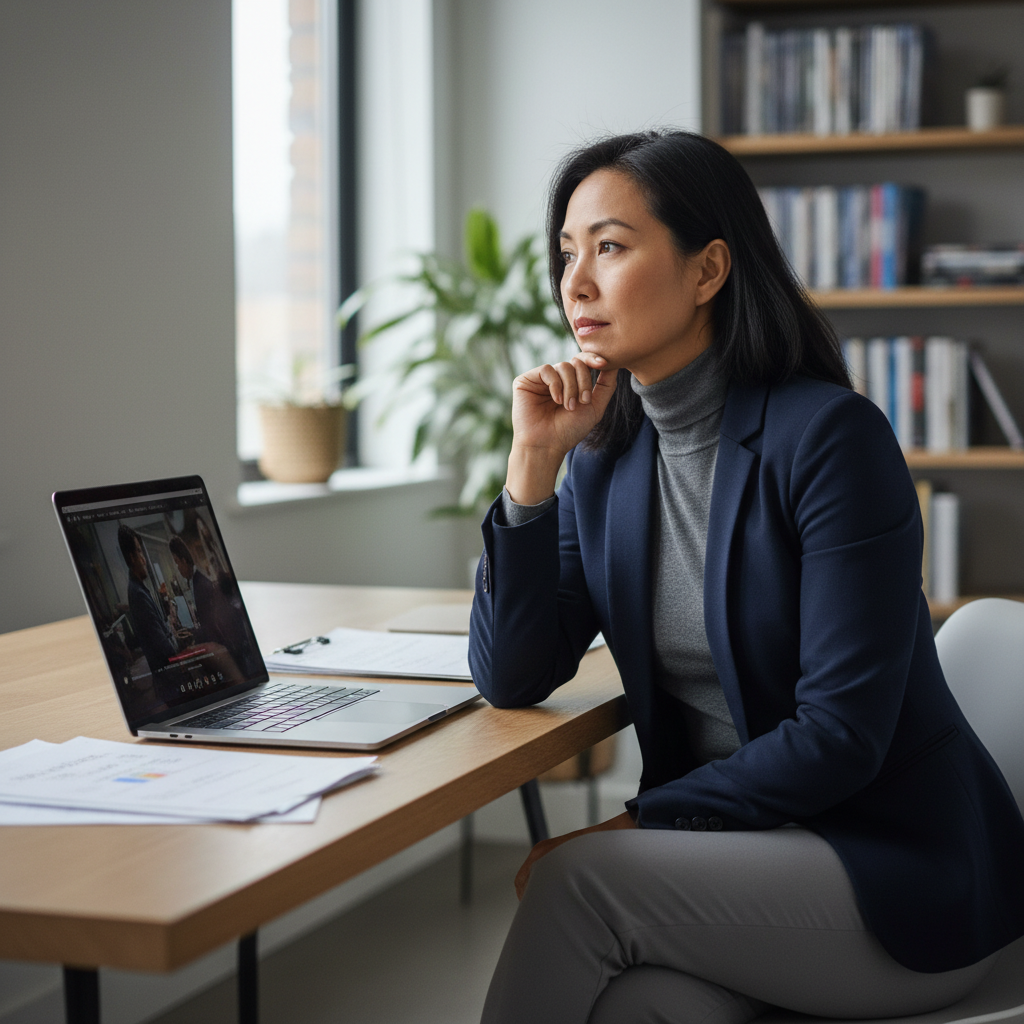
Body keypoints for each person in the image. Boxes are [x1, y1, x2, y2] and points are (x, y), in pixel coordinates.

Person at [468, 131, 1024, 1024]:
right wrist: (531, 468)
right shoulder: (606, 458)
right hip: (749, 856)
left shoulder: (831, 440)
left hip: (893, 872)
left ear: (708, 269)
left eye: (609, 247)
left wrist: (639, 822)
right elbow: (513, 673)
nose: (575, 283)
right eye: (567, 253)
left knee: (576, 885)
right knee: (640, 1004)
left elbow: (839, 735)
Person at [118, 524, 179, 678]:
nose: (144, 559)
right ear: (132, 557)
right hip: (169, 675)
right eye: (139, 551)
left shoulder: (139, 590)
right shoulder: (138, 594)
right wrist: (180, 661)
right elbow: (160, 644)